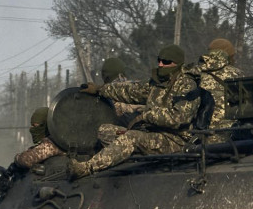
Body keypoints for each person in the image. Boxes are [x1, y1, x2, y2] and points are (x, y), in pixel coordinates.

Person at [70, 44, 199, 179]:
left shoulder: (187, 85)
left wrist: (147, 116)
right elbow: (129, 91)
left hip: (175, 140)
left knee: (131, 138)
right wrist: (99, 89)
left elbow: (179, 118)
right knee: (105, 130)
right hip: (152, 134)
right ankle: (132, 157)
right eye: (159, 60)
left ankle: (86, 168)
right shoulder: (157, 83)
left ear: (177, 64)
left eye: (166, 62)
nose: (160, 65)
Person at [187, 38, 244, 143]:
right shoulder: (237, 74)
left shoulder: (194, 72)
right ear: (229, 55)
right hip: (229, 135)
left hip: (199, 136)